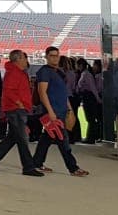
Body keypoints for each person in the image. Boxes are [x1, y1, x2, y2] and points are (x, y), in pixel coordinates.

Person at [0, 50, 44, 176]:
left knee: (13, 137)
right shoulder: (14, 73)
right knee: (22, 138)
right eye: (24, 58)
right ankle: (28, 167)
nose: (26, 61)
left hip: (16, 108)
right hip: (15, 109)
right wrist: (19, 103)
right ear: (18, 59)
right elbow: (9, 91)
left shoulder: (17, 73)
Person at [33, 46, 89, 177]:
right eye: (52, 55)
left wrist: (69, 109)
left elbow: (63, 93)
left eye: (57, 55)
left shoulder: (59, 72)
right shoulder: (44, 72)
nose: (55, 58)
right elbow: (42, 92)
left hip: (61, 109)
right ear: (46, 57)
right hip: (53, 111)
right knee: (63, 140)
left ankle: (36, 162)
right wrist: (50, 112)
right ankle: (73, 167)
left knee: (46, 138)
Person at [78, 59, 103, 143]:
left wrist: (98, 99)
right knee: (90, 118)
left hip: (89, 97)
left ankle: (91, 137)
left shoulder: (86, 74)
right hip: (88, 97)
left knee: (90, 118)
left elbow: (93, 88)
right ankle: (93, 136)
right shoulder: (87, 74)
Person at [62, 55, 83, 142]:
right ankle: (73, 136)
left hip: (63, 96)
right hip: (71, 96)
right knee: (72, 116)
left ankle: (65, 136)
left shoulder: (61, 73)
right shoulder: (72, 73)